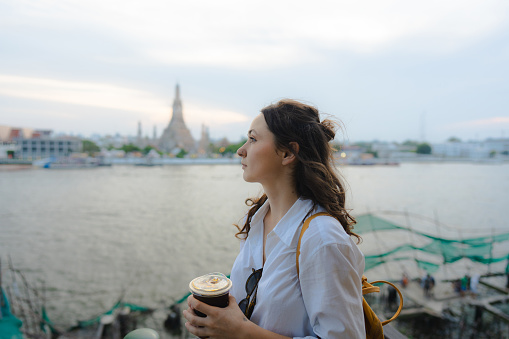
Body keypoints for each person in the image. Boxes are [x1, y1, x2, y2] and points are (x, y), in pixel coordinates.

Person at [183, 99, 365, 338]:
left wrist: (240, 331)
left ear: (288, 153)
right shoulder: (258, 220)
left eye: (253, 139)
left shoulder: (322, 238)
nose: (241, 150)